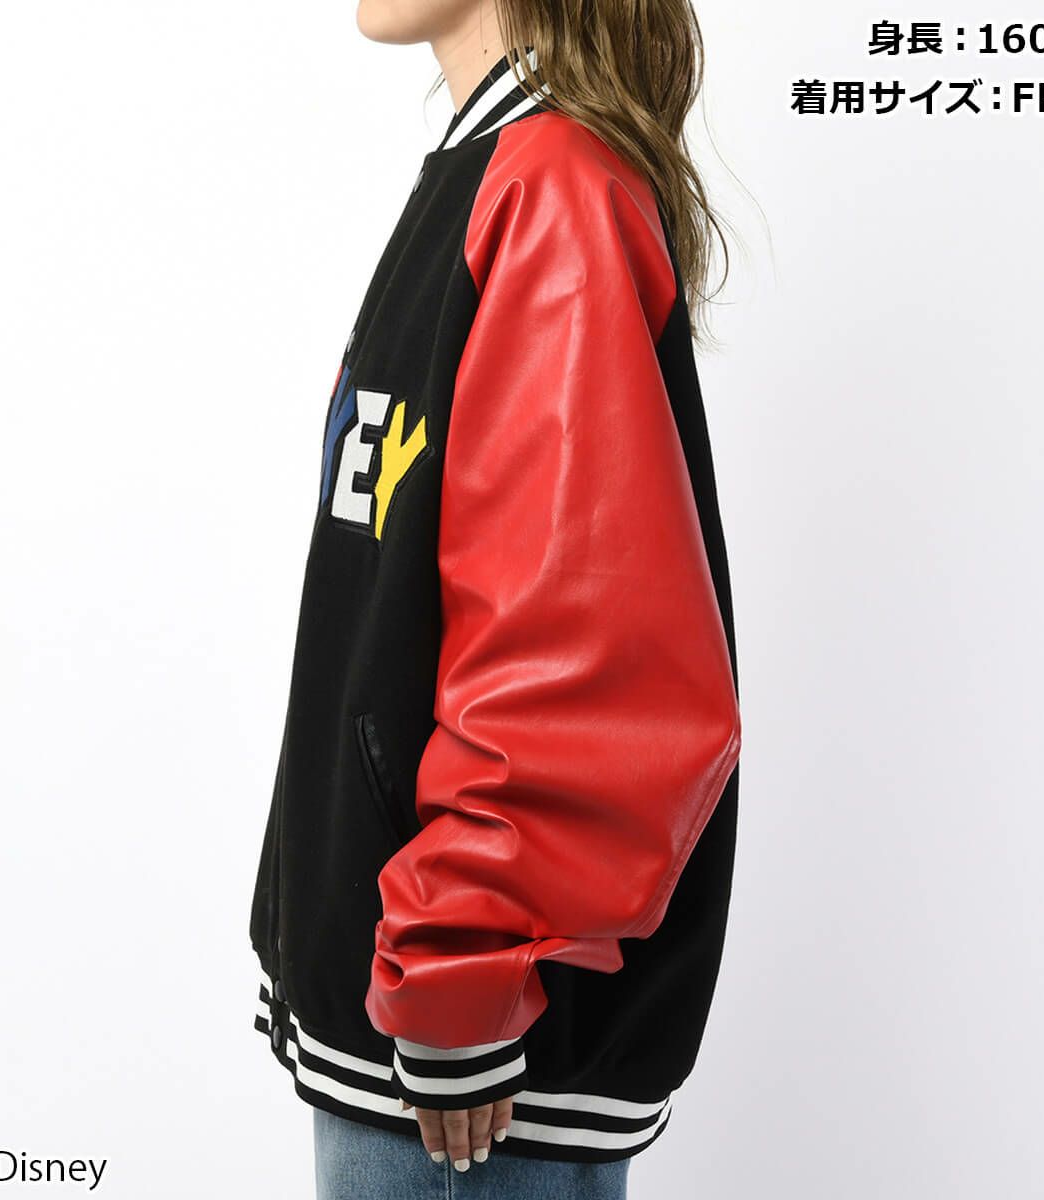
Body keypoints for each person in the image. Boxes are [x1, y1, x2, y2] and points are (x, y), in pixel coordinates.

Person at [247, 2, 743, 1196]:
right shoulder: (489, 172)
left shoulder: (550, 182)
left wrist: (462, 966)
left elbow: (579, 638)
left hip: (468, 1062)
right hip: (414, 1009)